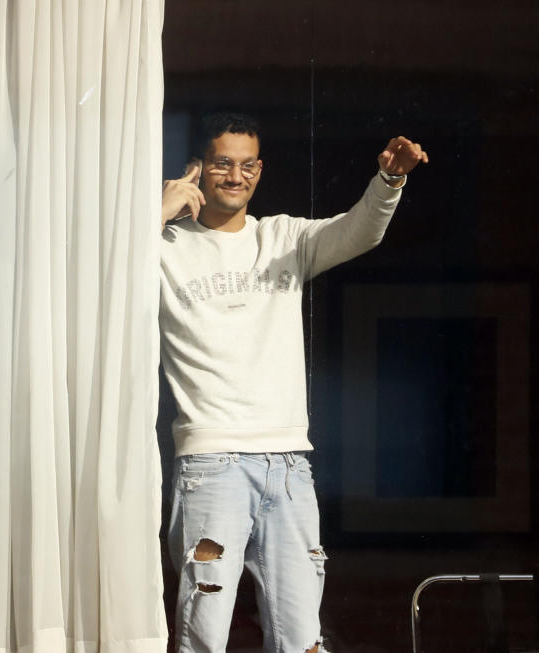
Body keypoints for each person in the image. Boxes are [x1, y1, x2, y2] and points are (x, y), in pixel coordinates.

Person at [159, 112, 427, 653]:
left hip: (288, 465)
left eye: (248, 165)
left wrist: (389, 181)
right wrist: (153, 212)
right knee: (204, 631)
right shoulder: (162, 247)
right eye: (222, 164)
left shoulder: (282, 237)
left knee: (302, 635)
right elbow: (95, 269)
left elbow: (357, 231)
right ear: (197, 170)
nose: (236, 176)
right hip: (213, 466)